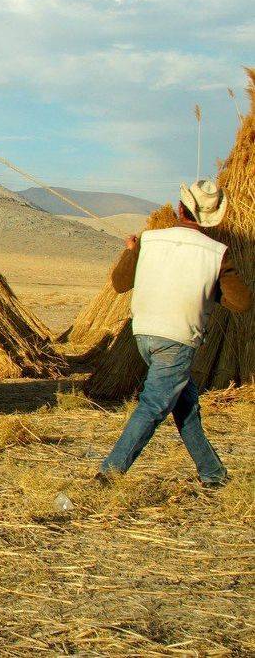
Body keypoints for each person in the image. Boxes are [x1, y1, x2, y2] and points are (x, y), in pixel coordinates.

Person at [98, 179, 250, 487]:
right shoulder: (217, 253)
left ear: (180, 207)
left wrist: (131, 252)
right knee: (154, 405)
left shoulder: (149, 239)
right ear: (210, 216)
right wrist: (209, 286)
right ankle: (109, 474)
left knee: (185, 404)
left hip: (142, 334)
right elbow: (242, 302)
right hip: (178, 339)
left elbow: (119, 283)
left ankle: (213, 474)